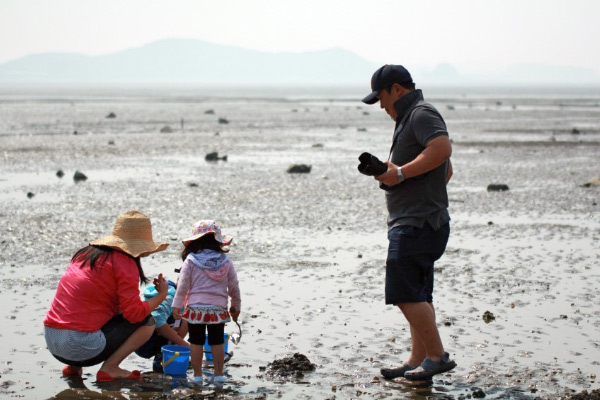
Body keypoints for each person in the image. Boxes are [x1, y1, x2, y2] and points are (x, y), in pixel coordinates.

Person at [361, 64, 456, 381]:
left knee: (403, 293)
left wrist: (400, 173)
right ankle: (418, 358)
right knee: (418, 293)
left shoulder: (421, 114)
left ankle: (436, 355)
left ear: (396, 90)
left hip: (418, 224)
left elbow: (442, 149)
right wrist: (390, 173)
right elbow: (446, 171)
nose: (381, 106)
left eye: (382, 98)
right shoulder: (409, 118)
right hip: (421, 220)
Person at [43, 210, 170, 382]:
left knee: (88, 312)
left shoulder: (85, 254)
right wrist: (162, 295)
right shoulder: (124, 263)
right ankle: (110, 368)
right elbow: (134, 314)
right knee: (147, 321)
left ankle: (73, 368)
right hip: (79, 347)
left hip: (53, 341)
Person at [172, 220, 241, 384]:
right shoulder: (225, 261)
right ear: (218, 241)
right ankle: (218, 375)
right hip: (218, 308)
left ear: (195, 240)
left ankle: (197, 376)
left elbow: (182, 286)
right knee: (216, 341)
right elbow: (234, 286)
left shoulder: (191, 259)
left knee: (196, 341)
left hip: (196, 308)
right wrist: (236, 305)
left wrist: (176, 306)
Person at [135, 279, 190, 372]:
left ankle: (167, 356)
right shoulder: (171, 296)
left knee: (190, 315)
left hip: (141, 339)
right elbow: (156, 318)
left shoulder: (176, 293)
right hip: (143, 342)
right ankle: (162, 358)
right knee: (188, 315)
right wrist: (185, 345)